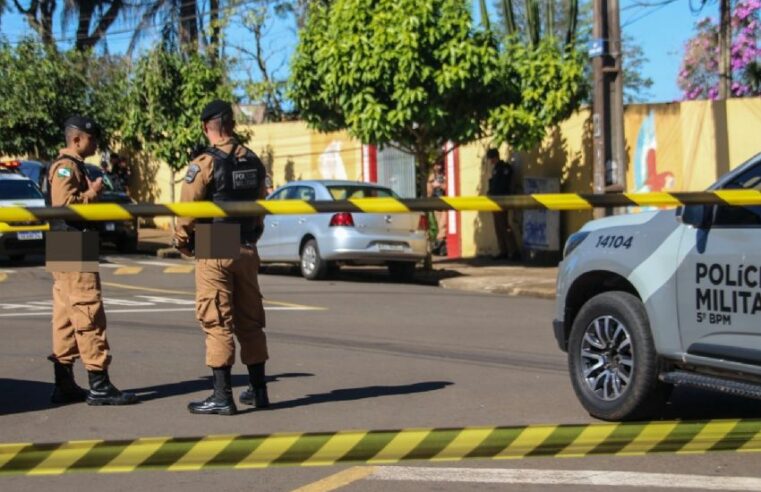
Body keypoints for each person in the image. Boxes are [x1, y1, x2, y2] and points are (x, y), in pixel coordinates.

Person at [173, 100, 270, 416]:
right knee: (250, 319)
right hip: (246, 243)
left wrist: (183, 242)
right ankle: (258, 391)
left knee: (217, 319)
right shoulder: (254, 161)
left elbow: (187, 212)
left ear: (206, 128)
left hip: (216, 240)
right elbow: (260, 206)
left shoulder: (204, 164)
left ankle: (221, 395)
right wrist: (252, 235)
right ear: (232, 124)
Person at [47, 115, 137, 406]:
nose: (96, 143)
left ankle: (64, 383)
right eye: (92, 138)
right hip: (72, 243)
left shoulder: (72, 166)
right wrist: (92, 194)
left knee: (65, 315)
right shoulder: (66, 167)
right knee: (88, 310)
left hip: (68, 244)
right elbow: (65, 206)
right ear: (76, 139)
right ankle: (99, 383)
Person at [486, 148, 520, 261]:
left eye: (491, 158)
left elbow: (503, 184)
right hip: (495, 200)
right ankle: (503, 250)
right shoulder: (496, 168)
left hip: (502, 199)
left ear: (495, 157)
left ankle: (513, 250)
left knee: (504, 225)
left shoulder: (504, 168)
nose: (491, 161)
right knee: (498, 226)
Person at [427, 160, 448, 256]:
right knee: (439, 225)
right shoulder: (432, 176)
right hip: (436, 203)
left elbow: (448, 187)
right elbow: (429, 191)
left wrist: (440, 184)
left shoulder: (445, 175)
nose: (438, 167)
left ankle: (439, 243)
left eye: (439, 164)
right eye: (436, 165)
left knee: (442, 226)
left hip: (445, 203)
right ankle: (441, 247)